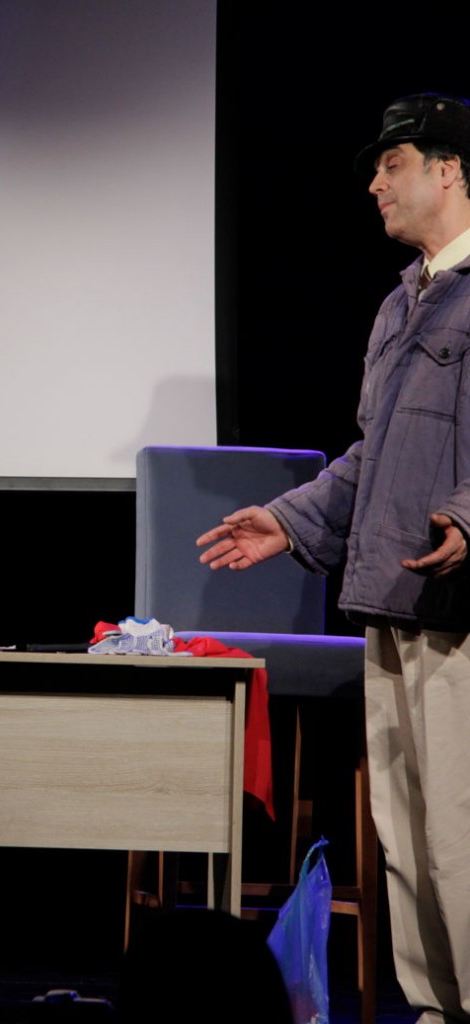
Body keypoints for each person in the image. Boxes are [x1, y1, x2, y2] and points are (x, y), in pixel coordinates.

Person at [197, 92, 470, 1024]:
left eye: (392, 164)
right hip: (392, 594)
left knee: (458, 828)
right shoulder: (401, 303)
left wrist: (467, 517)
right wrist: (289, 520)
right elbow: (372, 454)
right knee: (406, 829)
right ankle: (433, 1010)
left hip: (458, 601)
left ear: (450, 170)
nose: (374, 184)